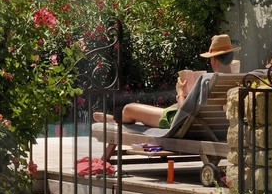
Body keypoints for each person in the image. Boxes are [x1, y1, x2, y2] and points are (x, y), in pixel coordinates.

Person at [96, 33, 237, 129]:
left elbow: (183, 114)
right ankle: (120, 119)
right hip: (214, 127)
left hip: (186, 124)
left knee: (129, 108)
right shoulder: (239, 80)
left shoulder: (207, 80)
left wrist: (181, 92)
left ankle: (113, 120)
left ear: (213, 59)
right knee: (153, 111)